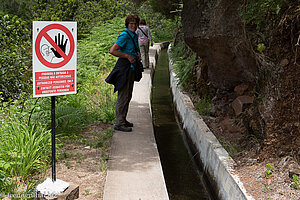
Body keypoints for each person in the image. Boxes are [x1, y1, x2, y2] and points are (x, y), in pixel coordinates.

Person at [105, 14, 141, 132]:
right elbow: (113, 50)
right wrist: (127, 56)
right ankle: (119, 123)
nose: (133, 26)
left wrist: (137, 55)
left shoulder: (134, 35)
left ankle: (123, 119)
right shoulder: (125, 35)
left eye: (135, 24)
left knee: (128, 94)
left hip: (131, 68)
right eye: (131, 23)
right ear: (127, 24)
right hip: (124, 68)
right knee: (123, 95)